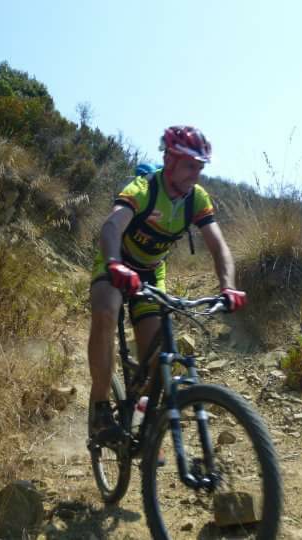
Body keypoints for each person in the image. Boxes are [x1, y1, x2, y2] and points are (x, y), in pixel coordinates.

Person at [88, 125, 247, 440]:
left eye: (200, 167)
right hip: (117, 262)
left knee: (158, 357)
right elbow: (111, 227)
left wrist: (227, 286)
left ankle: (144, 421)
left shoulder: (196, 199)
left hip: (150, 272)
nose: (196, 174)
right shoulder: (144, 189)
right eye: (189, 165)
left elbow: (219, 246)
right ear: (169, 160)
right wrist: (114, 263)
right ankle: (100, 410)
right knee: (106, 312)